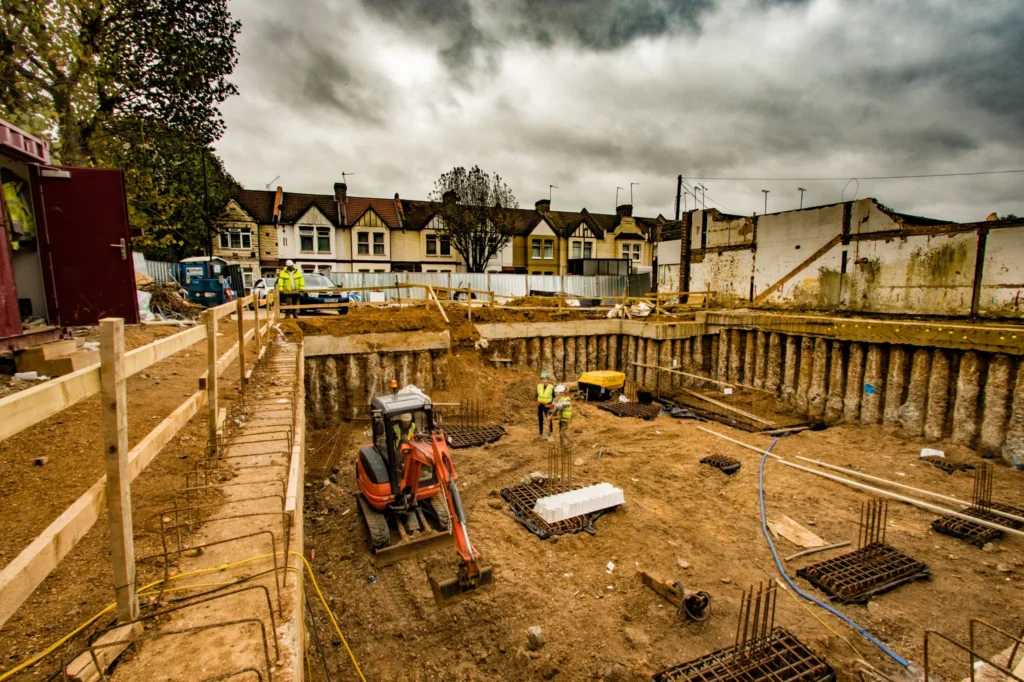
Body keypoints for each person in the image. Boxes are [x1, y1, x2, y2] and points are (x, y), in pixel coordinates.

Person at [536, 372, 554, 438]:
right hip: (540, 405)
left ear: (547, 380)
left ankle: (550, 432)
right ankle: (541, 433)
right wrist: (537, 401)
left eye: (545, 379)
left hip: (548, 405)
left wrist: (551, 404)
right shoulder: (538, 386)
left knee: (549, 419)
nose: (543, 380)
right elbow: (537, 395)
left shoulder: (551, 387)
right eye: (542, 379)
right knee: (540, 419)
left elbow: (554, 397)